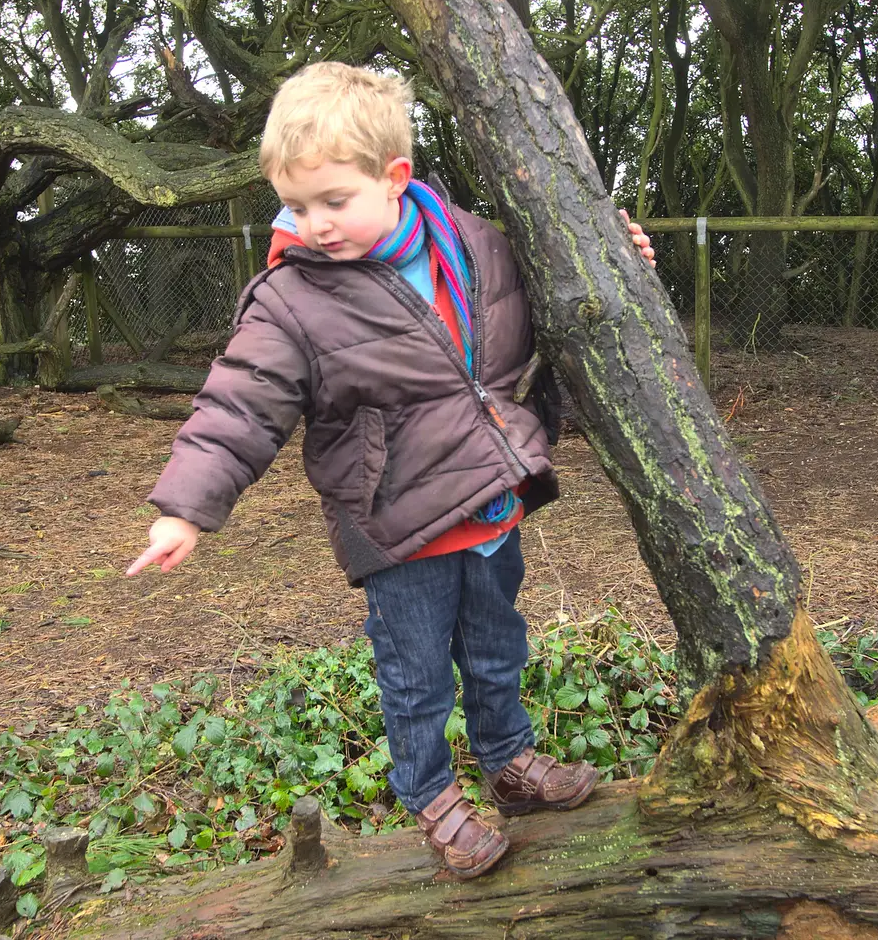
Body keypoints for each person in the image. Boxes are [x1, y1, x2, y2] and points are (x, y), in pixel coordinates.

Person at [127, 62, 654, 879]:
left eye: (334, 201)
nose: (315, 224)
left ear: (394, 178)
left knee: (496, 647)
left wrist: (619, 259)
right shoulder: (291, 298)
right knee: (414, 677)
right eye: (297, 207)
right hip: (397, 523)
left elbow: (572, 293)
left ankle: (508, 758)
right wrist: (185, 511)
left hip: (488, 498)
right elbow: (240, 403)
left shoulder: (478, 245)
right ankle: (432, 794)